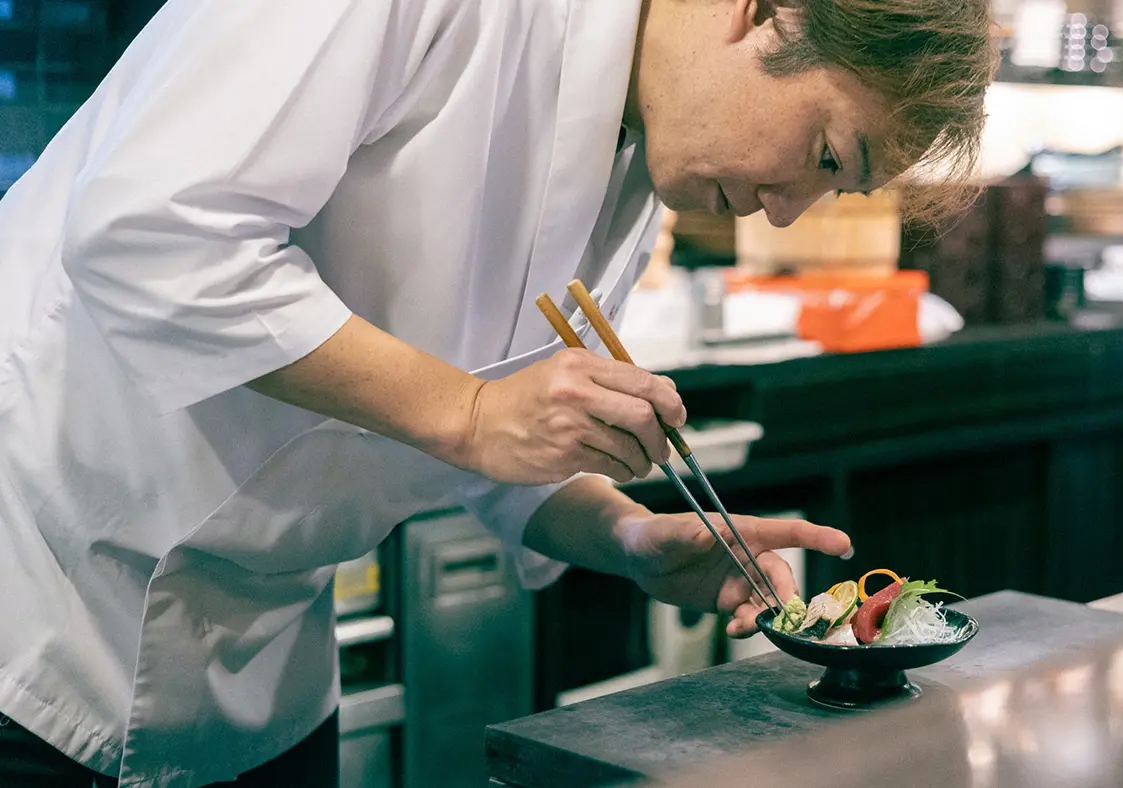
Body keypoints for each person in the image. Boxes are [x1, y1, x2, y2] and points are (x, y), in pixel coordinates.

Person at [0, 0, 992, 785]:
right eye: (826, 154)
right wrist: (473, 416)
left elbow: (484, 415)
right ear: (758, 11)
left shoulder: (635, 168)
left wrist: (623, 535)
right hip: (40, 596)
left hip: (263, 659)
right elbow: (148, 233)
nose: (788, 212)